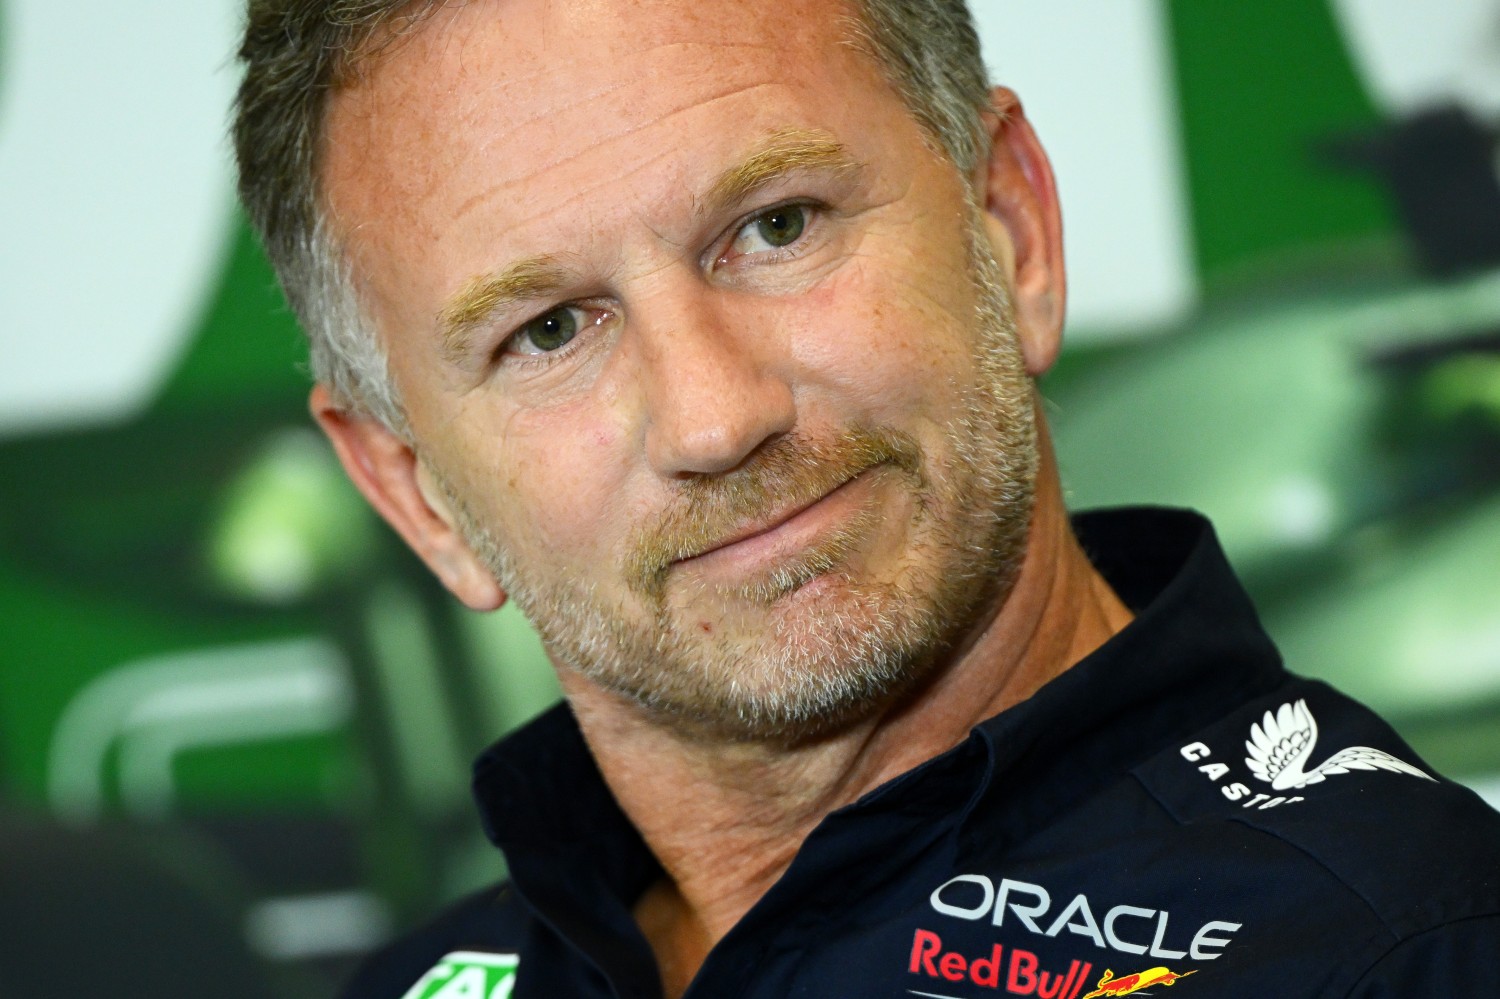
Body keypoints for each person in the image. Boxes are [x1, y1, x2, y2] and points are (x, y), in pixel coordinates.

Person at [232, 1, 1500, 996]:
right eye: (550, 329)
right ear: (417, 495)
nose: (716, 418)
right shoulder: (421, 989)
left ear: (1009, 232)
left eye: (779, 227)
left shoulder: (1404, 952)